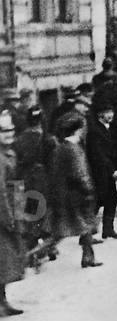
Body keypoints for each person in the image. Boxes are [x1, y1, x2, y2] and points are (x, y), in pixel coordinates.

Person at [50, 114, 101, 269]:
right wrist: (89, 189)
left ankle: (88, 257)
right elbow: (80, 173)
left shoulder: (61, 147)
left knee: (83, 226)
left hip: (67, 193)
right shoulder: (73, 149)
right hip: (79, 194)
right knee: (81, 225)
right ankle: (39, 253)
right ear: (78, 130)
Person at [13, 107, 56, 264]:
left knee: (30, 218)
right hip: (42, 181)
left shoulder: (18, 140)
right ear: (42, 120)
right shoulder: (48, 139)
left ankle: (35, 251)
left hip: (23, 182)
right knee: (44, 217)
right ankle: (42, 250)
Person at [86, 102, 117, 240]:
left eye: (112, 112)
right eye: (108, 112)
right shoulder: (94, 132)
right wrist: (112, 170)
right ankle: (86, 235)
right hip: (99, 173)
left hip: (106, 172)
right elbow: (99, 155)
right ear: (100, 115)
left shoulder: (107, 128)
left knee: (111, 200)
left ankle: (108, 229)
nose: (111, 115)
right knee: (97, 203)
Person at [0, 110, 26, 316]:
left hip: (12, 208)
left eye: (11, 129)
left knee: (6, 260)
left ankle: (2, 301)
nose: (9, 133)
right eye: (3, 130)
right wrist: (9, 218)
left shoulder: (9, 152)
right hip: (3, 214)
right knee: (4, 258)